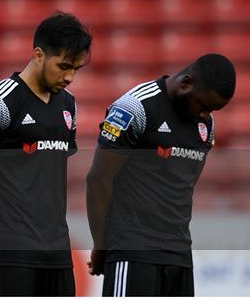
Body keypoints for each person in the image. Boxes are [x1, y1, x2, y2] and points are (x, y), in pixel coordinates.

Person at [0, 12, 92, 296]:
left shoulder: (69, 105)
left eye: (76, 69)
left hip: (57, 254)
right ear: (38, 54)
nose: (70, 77)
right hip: (10, 252)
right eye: (64, 66)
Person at [86, 54, 236, 296]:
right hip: (133, 251)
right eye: (204, 107)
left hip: (179, 255)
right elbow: (99, 179)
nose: (206, 115)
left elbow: (187, 183)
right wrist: (101, 246)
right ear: (186, 83)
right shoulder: (134, 108)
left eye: (212, 110)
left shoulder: (205, 126)